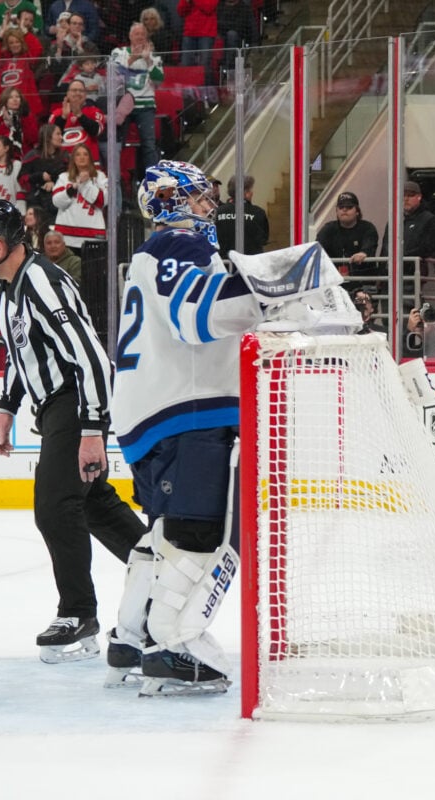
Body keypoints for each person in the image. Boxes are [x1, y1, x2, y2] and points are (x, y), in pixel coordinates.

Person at [0, 199, 145, 664]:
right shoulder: (5, 289)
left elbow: (90, 357)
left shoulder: (42, 281)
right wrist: (6, 406)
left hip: (73, 402)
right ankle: (164, 577)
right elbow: (23, 354)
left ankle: (78, 612)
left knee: (55, 508)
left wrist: (90, 427)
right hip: (53, 407)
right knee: (96, 505)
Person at [110, 160, 268, 694]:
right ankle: (173, 645)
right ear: (173, 202)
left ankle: (131, 636)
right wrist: (277, 294)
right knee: (205, 534)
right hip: (189, 412)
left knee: (166, 534)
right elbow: (196, 316)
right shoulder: (180, 247)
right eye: (200, 197)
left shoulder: (153, 254)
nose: (210, 206)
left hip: (153, 414)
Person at [109, 21, 165, 174]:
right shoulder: (118, 52)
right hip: (122, 106)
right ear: (130, 36)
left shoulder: (154, 57)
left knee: (149, 144)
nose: (140, 37)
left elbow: (158, 80)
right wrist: (132, 59)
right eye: (136, 34)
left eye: (142, 34)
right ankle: (115, 177)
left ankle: (153, 178)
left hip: (145, 106)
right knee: (117, 144)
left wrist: (147, 60)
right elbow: (114, 75)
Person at [51, 143, 108, 250]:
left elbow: (102, 201)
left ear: (90, 158)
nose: (81, 157)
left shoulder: (100, 177)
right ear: (73, 158)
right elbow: (56, 202)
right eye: (78, 154)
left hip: (93, 236)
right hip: (66, 236)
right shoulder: (64, 177)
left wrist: (86, 183)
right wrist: (72, 189)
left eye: (85, 154)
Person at [316, 191, 379, 276]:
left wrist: (363, 253)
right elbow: (316, 250)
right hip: (334, 282)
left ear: (357, 211)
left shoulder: (368, 228)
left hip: (363, 282)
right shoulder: (328, 229)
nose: (344, 209)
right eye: (341, 207)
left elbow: (369, 245)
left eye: (349, 207)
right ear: (336, 211)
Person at [214, 174, 269, 257]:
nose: (252, 193)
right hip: (249, 264)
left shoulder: (218, 212)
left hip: (224, 264)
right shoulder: (258, 212)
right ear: (245, 193)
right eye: (250, 190)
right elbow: (263, 240)